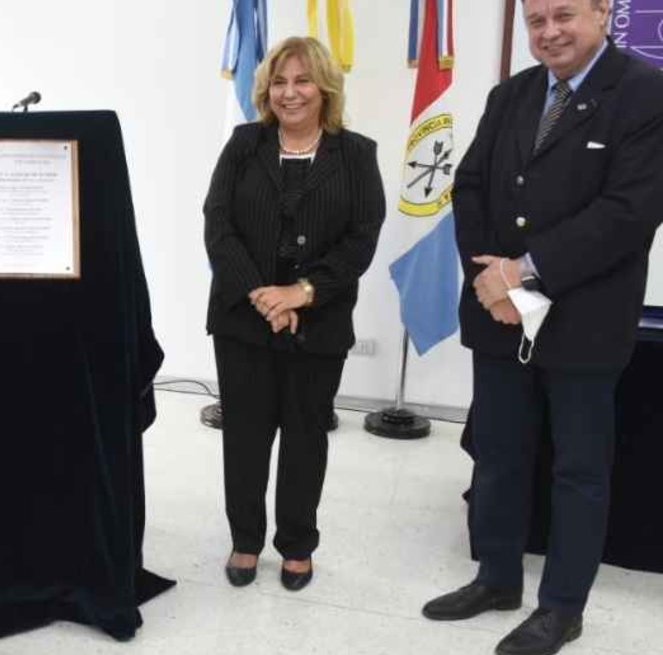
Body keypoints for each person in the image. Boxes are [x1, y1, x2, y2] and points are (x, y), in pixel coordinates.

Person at [422, 1, 663, 653]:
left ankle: (562, 607)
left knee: (578, 470)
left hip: (584, 319)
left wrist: (522, 273)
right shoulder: (512, 94)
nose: (549, 32)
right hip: (499, 315)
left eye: (564, 15)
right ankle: (496, 577)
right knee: (499, 454)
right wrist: (492, 282)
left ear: (603, 11)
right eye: (536, 20)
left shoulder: (646, 93)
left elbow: (629, 210)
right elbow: (469, 187)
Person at [203, 36, 384, 592]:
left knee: (306, 438)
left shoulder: (356, 154)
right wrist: (265, 295)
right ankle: (246, 539)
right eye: (279, 82)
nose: (290, 92)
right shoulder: (245, 144)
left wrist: (301, 293)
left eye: (303, 80)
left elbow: (361, 239)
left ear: (324, 87)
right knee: (245, 436)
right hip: (243, 319)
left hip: (319, 323)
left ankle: (297, 545)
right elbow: (218, 223)